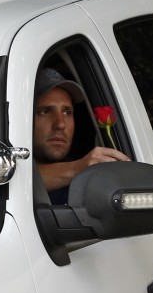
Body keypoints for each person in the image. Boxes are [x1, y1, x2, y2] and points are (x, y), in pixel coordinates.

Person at [34, 68, 129, 203]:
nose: (60, 124)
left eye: (67, 112)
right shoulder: (0, 169)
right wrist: (79, 168)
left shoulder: (92, 179)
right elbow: (11, 180)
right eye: (45, 111)